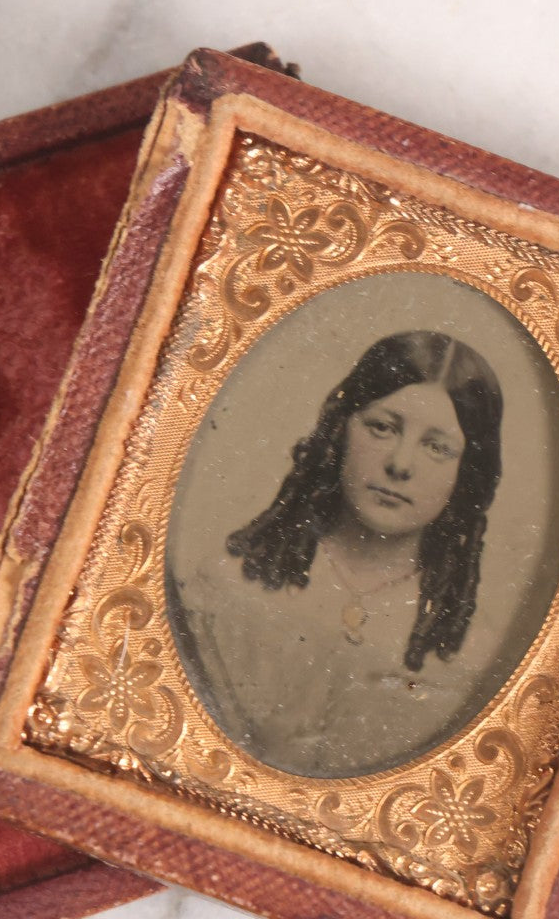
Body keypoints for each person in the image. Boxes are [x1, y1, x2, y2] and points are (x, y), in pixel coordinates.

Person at [169, 330, 504, 778]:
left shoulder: (472, 655)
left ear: (467, 474)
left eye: (437, 448)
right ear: (341, 428)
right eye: (383, 427)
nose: (400, 464)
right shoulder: (227, 587)